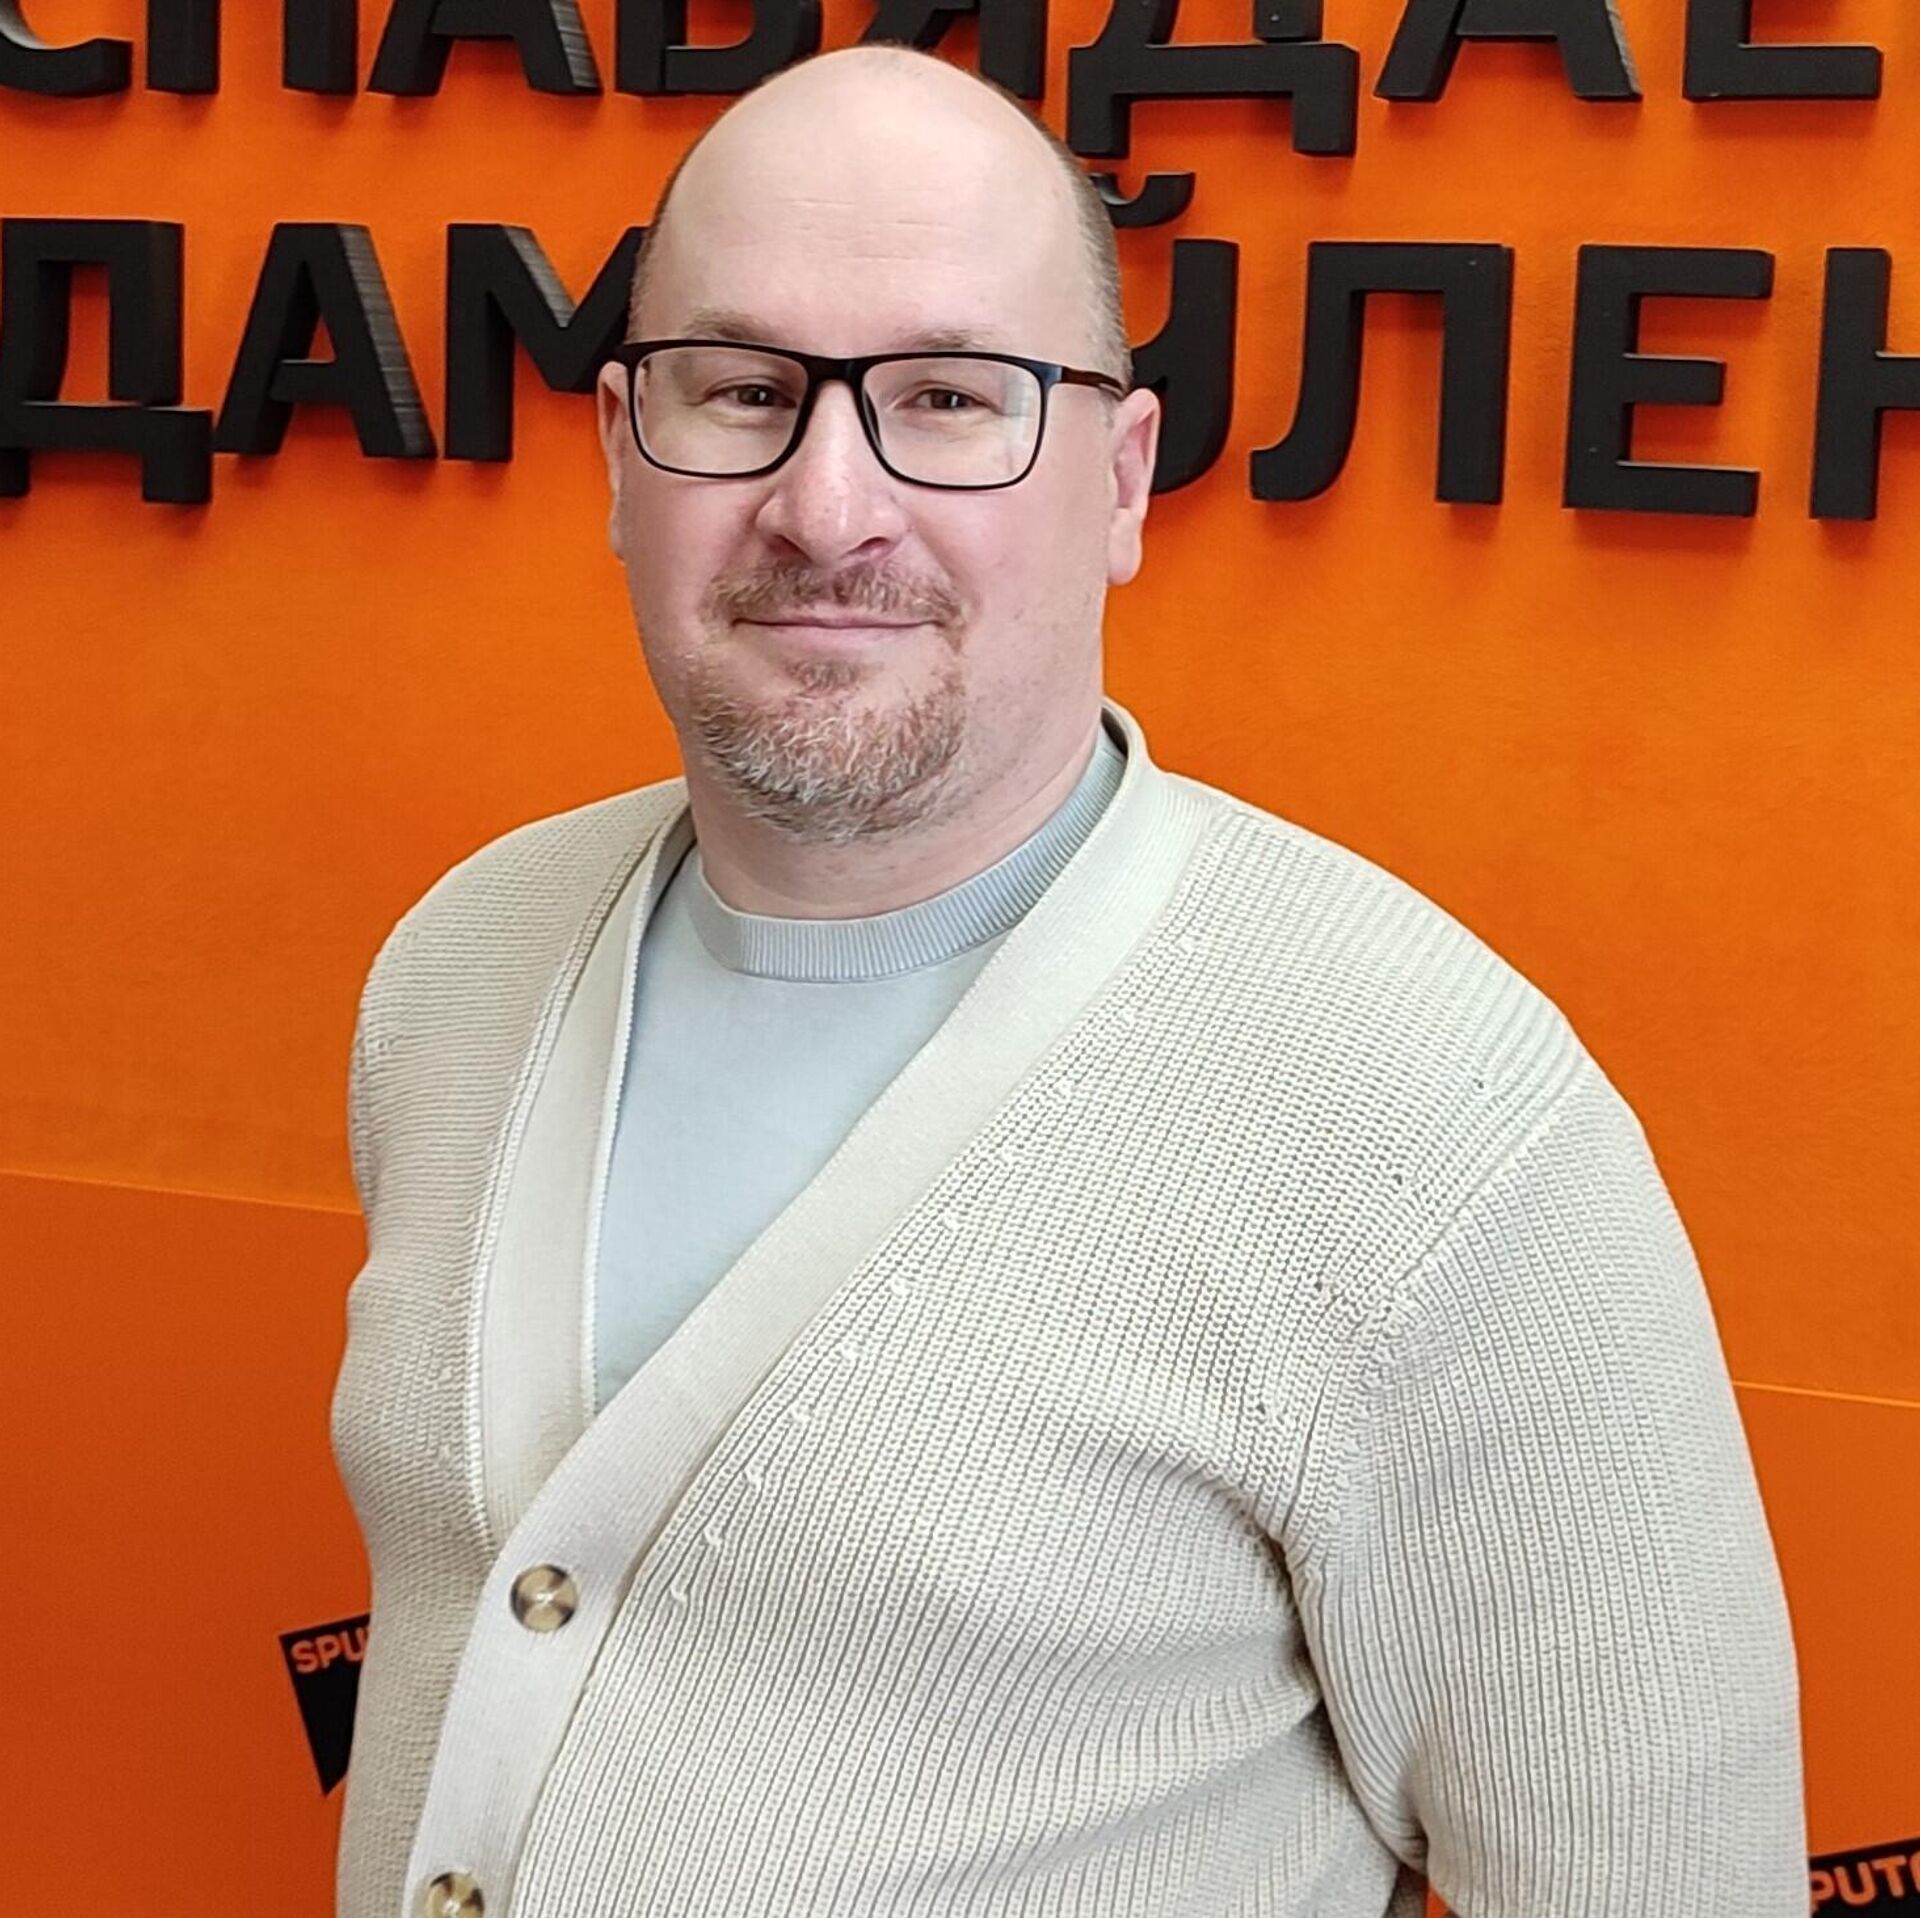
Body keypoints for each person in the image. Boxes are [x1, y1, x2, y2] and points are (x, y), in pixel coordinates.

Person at [329, 41, 1805, 1918]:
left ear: (1120, 479)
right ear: (625, 451)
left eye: (950, 398)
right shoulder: (460, 968)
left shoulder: (1439, 1116)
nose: (827, 505)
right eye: (744, 390)